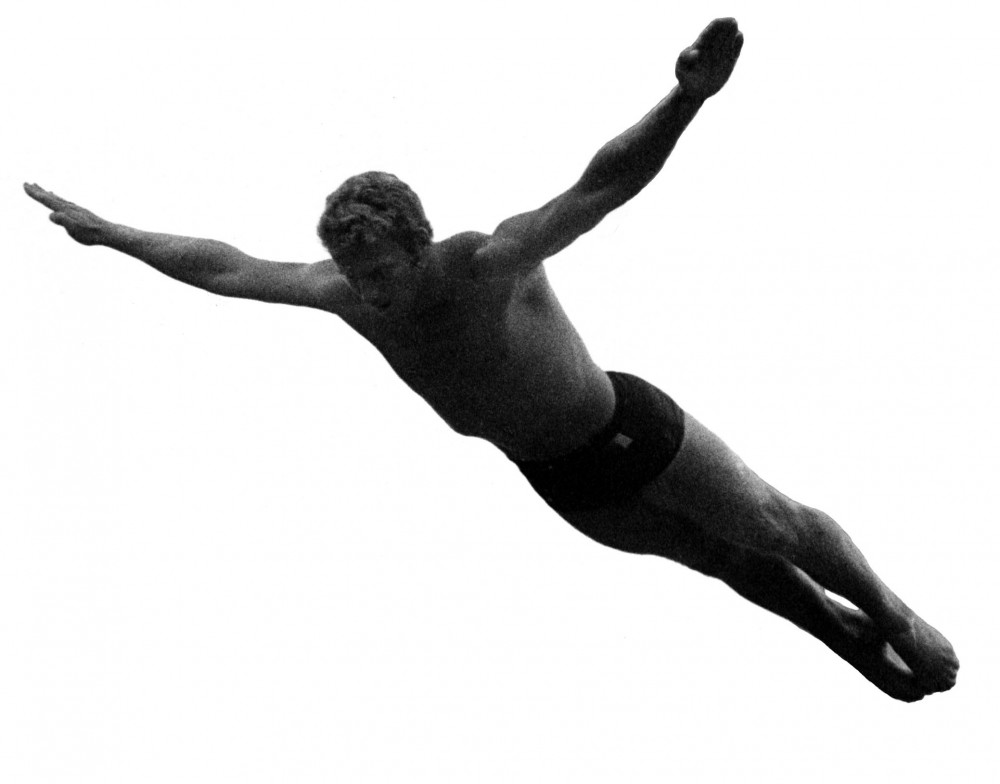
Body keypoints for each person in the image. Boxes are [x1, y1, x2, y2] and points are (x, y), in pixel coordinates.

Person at [25, 18, 957, 701]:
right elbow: (226, 266)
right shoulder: (339, 291)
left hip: (626, 425)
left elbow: (601, 186)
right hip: (559, 478)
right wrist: (115, 234)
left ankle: (890, 609)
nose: (366, 287)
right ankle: (847, 639)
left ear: (418, 243)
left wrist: (684, 99)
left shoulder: (486, 262)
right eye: (352, 269)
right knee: (725, 561)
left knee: (770, 523)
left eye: (378, 268)